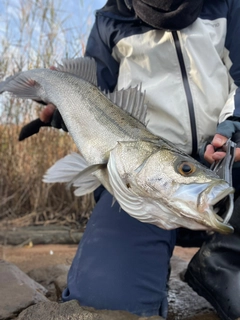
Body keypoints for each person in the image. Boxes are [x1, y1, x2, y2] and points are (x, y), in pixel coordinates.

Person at [36, 1, 240, 319]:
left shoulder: (230, 6)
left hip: (228, 167)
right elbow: (94, 99)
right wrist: (64, 111)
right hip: (137, 184)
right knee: (105, 303)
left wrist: (233, 129)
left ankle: (221, 264)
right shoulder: (110, 21)